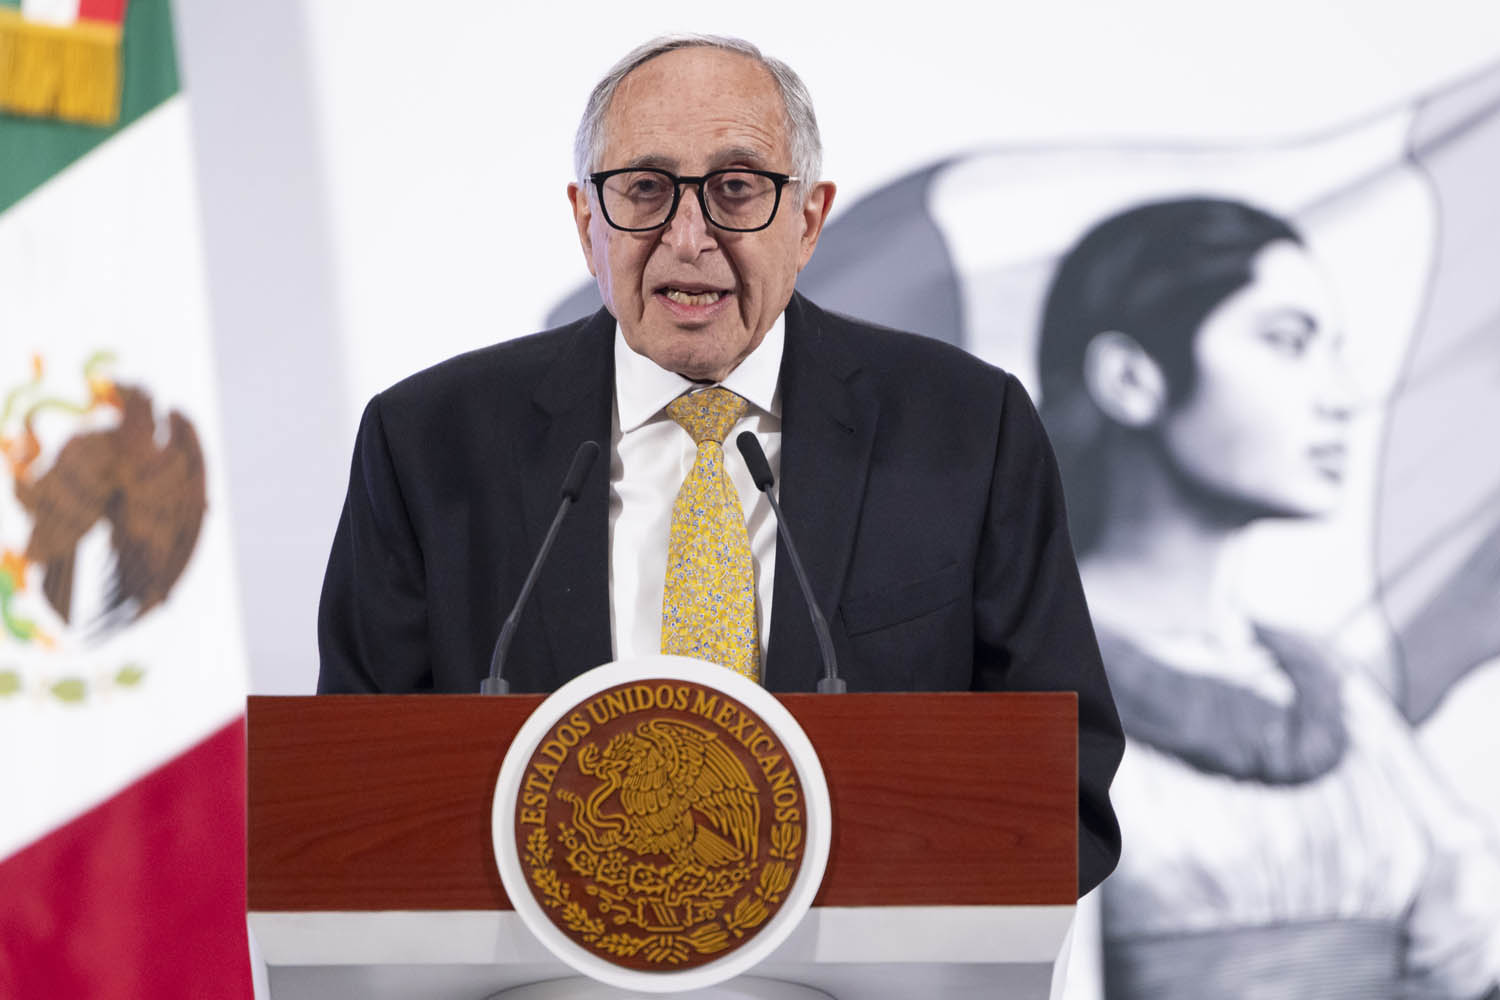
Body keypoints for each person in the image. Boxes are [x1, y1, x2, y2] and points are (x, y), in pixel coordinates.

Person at [316, 34, 1124, 896]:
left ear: (807, 220)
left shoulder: (965, 428)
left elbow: (1060, 779)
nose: (689, 237)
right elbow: (358, 791)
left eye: (736, 189)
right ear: (587, 222)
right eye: (645, 189)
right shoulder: (429, 443)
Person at [1036, 198, 1500, 998]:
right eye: (1287, 341)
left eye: (1335, 351)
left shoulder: (1333, 690)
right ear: (1130, 378)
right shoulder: (1016, 677)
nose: (1342, 396)